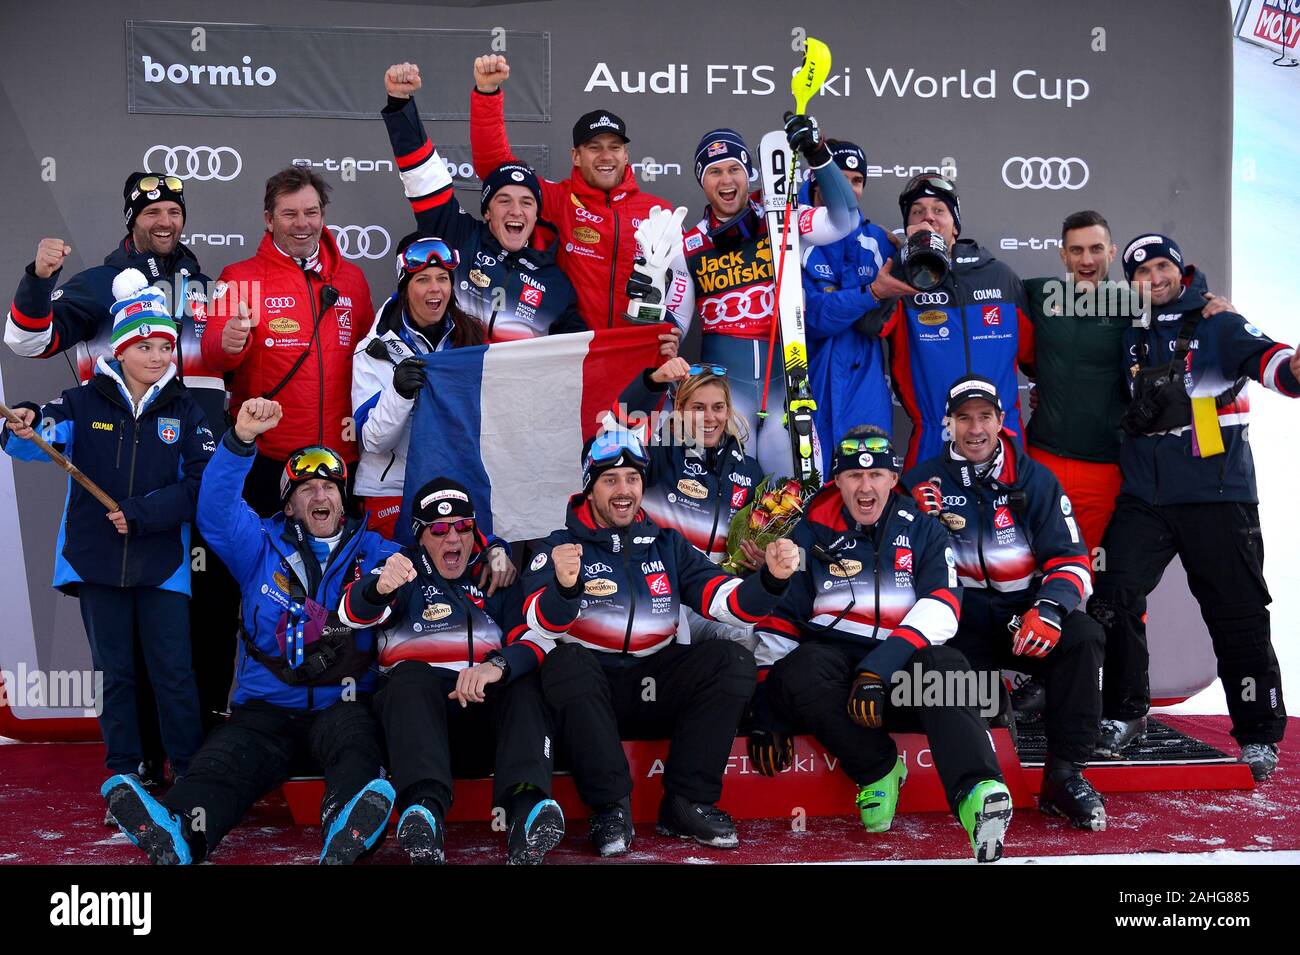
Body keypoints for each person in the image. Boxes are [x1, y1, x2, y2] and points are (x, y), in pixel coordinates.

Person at [100, 398, 400, 864]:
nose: (319, 497)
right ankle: (179, 832)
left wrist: (489, 558)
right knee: (218, 768)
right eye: (306, 490)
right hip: (264, 709)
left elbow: (432, 570)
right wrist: (240, 442)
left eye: (329, 488)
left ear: (344, 499)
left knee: (359, 752)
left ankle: (347, 829)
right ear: (289, 504)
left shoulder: (376, 548)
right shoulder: (257, 542)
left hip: (342, 704)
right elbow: (215, 510)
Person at [6, 170, 237, 755]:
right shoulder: (101, 281)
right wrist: (39, 280)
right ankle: (136, 768)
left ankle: (198, 763)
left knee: (198, 636)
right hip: (118, 482)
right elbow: (28, 341)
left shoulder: (202, 285)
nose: (165, 222)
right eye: (152, 211)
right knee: (127, 659)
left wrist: (230, 351)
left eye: (174, 212)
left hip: (191, 484)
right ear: (131, 217)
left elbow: (212, 373)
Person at [520, 429, 799, 855]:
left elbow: (726, 601)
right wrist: (565, 587)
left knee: (731, 660)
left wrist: (771, 581)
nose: (624, 489)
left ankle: (687, 803)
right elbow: (538, 623)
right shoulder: (560, 546)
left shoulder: (667, 543)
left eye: (632, 478)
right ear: (589, 487)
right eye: (610, 479)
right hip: (591, 695)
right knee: (565, 662)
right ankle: (610, 807)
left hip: (655, 685)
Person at [749, 426, 1014, 862]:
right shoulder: (809, 533)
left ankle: (977, 794)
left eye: (876, 476)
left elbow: (943, 608)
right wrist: (766, 708)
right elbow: (782, 620)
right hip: (837, 689)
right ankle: (878, 770)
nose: (865, 486)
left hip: (901, 678)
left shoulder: (926, 530)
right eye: (853, 476)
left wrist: (880, 669)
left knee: (946, 663)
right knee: (800, 667)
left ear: (894, 479)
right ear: (838, 481)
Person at [1091, 233, 1299, 781]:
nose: (1154, 277)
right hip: (1144, 499)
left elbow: (1274, 364)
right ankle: (1124, 713)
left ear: (1180, 272)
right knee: (1110, 595)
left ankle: (1258, 735)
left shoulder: (1219, 323)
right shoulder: (1127, 331)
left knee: (1238, 617)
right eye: (1142, 270)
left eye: (1163, 266)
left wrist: (1295, 367)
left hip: (1217, 498)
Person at [3, 270, 210, 797]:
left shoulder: (185, 411)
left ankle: (188, 774)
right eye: (145, 346)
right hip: (95, 562)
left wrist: (140, 513)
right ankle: (127, 775)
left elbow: (197, 490)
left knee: (173, 674)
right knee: (114, 674)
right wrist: (22, 423)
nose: (158, 356)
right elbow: (31, 442)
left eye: (166, 345)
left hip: (162, 563)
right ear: (120, 349)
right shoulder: (79, 403)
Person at [905, 374, 1106, 830]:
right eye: (964, 419)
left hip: (1024, 612)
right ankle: (977, 786)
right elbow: (894, 569)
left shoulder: (1035, 479)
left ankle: (1064, 775)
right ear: (948, 425)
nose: (975, 429)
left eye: (984, 417)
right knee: (931, 668)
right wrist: (915, 522)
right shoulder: (919, 482)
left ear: (1001, 421)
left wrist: (1050, 610)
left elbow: (1072, 559)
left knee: (1085, 637)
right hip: (959, 618)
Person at [337, 476, 562, 865]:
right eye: (439, 530)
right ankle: (424, 816)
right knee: (409, 675)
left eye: (463, 527)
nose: (453, 539)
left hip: (485, 724)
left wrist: (497, 666)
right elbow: (351, 613)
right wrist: (378, 588)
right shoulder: (402, 570)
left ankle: (526, 813)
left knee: (524, 685)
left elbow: (537, 639)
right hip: (419, 729)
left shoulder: (497, 574)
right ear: (420, 535)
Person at [1023, 211, 1236, 559]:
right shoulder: (1038, 294)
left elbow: (1183, 302)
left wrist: (1213, 303)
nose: (1086, 259)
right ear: (1063, 254)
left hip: (1107, 465)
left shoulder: (1137, 303)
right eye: (1076, 251)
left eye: (1096, 248)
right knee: (1028, 571)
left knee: (1100, 576)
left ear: (1111, 252)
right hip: (1041, 459)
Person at [662, 117, 858, 473]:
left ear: (749, 173)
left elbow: (844, 220)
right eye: (714, 172)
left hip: (785, 391)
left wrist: (818, 154)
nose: (726, 180)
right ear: (701, 182)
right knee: (729, 504)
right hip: (725, 401)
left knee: (794, 498)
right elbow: (670, 329)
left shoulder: (782, 221)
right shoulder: (687, 248)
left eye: (734, 169)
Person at [201, 167, 375, 517]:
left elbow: (371, 364)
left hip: (340, 456)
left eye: (311, 213)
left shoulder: (351, 279)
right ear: (269, 219)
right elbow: (213, 354)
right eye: (289, 214)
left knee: (337, 566)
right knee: (269, 564)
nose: (302, 223)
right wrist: (230, 340)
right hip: (270, 457)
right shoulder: (242, 277)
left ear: (323, 215)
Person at [470, 54, 682, 333]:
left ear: (626, 154)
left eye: (615, 147)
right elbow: (496, 167)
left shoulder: (658, 211)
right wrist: (488, 93)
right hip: (575, 354)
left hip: (636, 355)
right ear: (576, 156)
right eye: (594, 147)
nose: (606, 156)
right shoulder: (558, 200)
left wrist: (671, 329)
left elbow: (681, 288)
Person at [380, 63, 588, 343]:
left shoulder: (556, 285)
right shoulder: (459, 236)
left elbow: (583, 359)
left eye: (526, 202)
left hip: (513, 387)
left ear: (537, 214)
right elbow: (423, 176)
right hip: (452, 384)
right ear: (487, 212)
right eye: (504, 200)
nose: (516, 210)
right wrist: (400, 104)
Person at [859, 174, 1035, 469]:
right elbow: (868, 326)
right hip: (934, 438)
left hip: (1003, 438)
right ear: (908, 226)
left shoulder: (1000, 276)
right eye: (918, 212)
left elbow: (1034, 359)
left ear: (955, 224)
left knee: (1009, 516)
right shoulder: (899, 280)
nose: (928, 217)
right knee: (930, 516)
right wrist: (906, 260)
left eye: (939, 210)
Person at [799, 139, 899, 456]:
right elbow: (812, 317)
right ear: (818, 180)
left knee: (866, 481)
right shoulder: (789, 236)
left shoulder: (878, 240)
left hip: (865, 387)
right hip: (806, 381)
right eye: (840, 179)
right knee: (809, 491)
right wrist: (870, 294)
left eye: (857, 181)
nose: (850, 189)